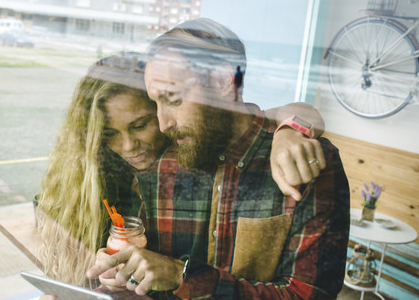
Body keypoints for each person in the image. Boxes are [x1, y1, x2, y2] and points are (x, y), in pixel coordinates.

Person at [87, 19, 350, 299]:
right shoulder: (160, 163)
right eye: (156, 103)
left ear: (224, 81)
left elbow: (309, 295)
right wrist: (115, 277)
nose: (163, 124)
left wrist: (182, 276)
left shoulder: (303, 162)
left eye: (173, 99)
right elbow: (145, 279)